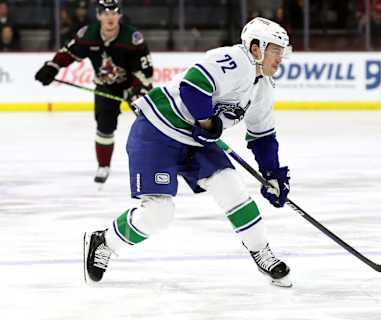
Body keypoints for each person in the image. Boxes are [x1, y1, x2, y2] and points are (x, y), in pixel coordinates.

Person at [83, 17, 293, 287]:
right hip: (158, 131)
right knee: (159, 213)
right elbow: (193, 85)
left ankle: (262, 251)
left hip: (196, 141)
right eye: (276, 50)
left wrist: (272, 172)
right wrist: (207, 123)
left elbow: (262, 137)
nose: (281, 57)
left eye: (282, 51)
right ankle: (105, 242)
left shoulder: (262, 87)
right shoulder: (235, 59)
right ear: (256, 48)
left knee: (232, 188)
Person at [35, 0, 153, 184]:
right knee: (104, 127)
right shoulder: (88, 34)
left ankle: (158, 161)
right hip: (105, 87)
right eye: (105, 13)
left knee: (150, 124)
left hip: (133, 87)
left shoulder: (132, 38)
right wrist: (53, 66)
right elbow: (68, 52)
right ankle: (104, 166)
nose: (110, 17)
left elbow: (145, 71)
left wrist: (137, 91)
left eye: (114, 13)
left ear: (120, 15)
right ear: (98, 16)